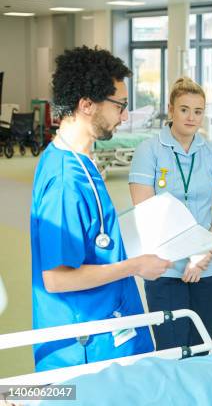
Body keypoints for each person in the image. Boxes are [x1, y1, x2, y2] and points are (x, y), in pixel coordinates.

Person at [30, 46, 170, 372]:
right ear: (87, 105)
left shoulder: (79, 160)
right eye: (120, 105)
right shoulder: (64, 180)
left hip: (113, 320)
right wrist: (135, 265)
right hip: (87, 346)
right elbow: (56, 279)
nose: (124, 116)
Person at [129, 77, 212, 350]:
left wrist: (202, 255)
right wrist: (185, 254)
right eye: (184, 109)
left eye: (198, 111)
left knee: (202, 345)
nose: (191, 117)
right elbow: (146, 212)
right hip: (164, 264)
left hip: (207, 265)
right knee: (171, 347)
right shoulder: (148, 151)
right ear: (171, 109)